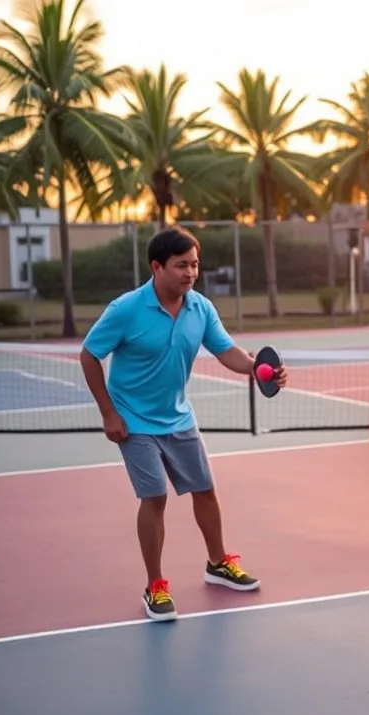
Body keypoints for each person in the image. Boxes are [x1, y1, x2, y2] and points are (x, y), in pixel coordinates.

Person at [79, 225, 287, 623]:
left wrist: (261, 371)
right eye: (181, 265)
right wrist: (108, 412)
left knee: (205, 490)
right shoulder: (125, 309)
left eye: (195, 264)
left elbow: (227, 351)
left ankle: (218, 563)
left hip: (178, 416)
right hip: (134, 420)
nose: (190, 273)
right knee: (154, 496)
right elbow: (89, 356)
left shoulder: (200, 308)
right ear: (157, 267)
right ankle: (155, 585)